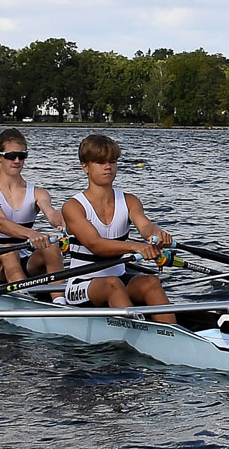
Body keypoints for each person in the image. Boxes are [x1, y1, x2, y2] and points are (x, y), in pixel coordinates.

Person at [59, 133, 175, 325]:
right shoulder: (73, 207)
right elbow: (95, 244)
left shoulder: (129, 201)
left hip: (118, 279)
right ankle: (138, 333)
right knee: (112, 284)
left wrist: (157, 234)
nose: (108, 167)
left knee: (151, 282)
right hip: (81, 284)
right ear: (85, 167)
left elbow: (145, 226)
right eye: (100, 162)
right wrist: (134, 247)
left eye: (112, 161)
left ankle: (173, 335)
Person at [0, 128, 66, 284]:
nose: (17, 161)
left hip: (22, 260)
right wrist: (31, 234)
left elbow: (50, 213)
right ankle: (25, 298)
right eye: (11, 156)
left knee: (51, 246)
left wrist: (63, 223)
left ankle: (59, 302)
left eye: (22, 156)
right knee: (8, 251)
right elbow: (0, 223)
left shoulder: (38, 193)